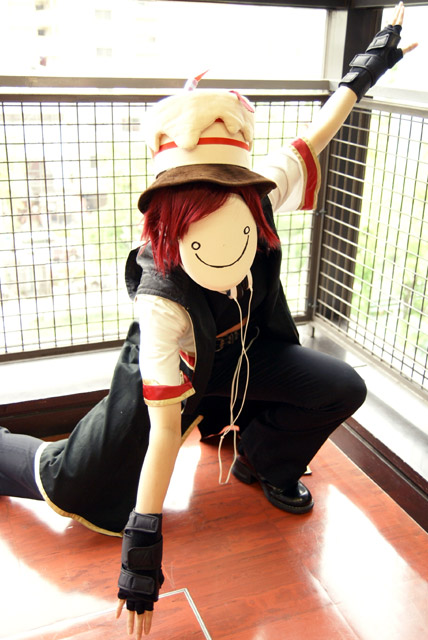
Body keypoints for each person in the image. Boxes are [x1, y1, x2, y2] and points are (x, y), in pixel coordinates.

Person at [0, 4, 417, 638]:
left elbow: (316, 133)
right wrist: (141, 564)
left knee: (339, 386)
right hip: (175, 378)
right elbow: (163, 434)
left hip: (244, 358)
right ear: (172, 218)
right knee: (73, 482)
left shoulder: (259, 193)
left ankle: (261, 461)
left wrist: (369, 65)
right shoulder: (161, 297)